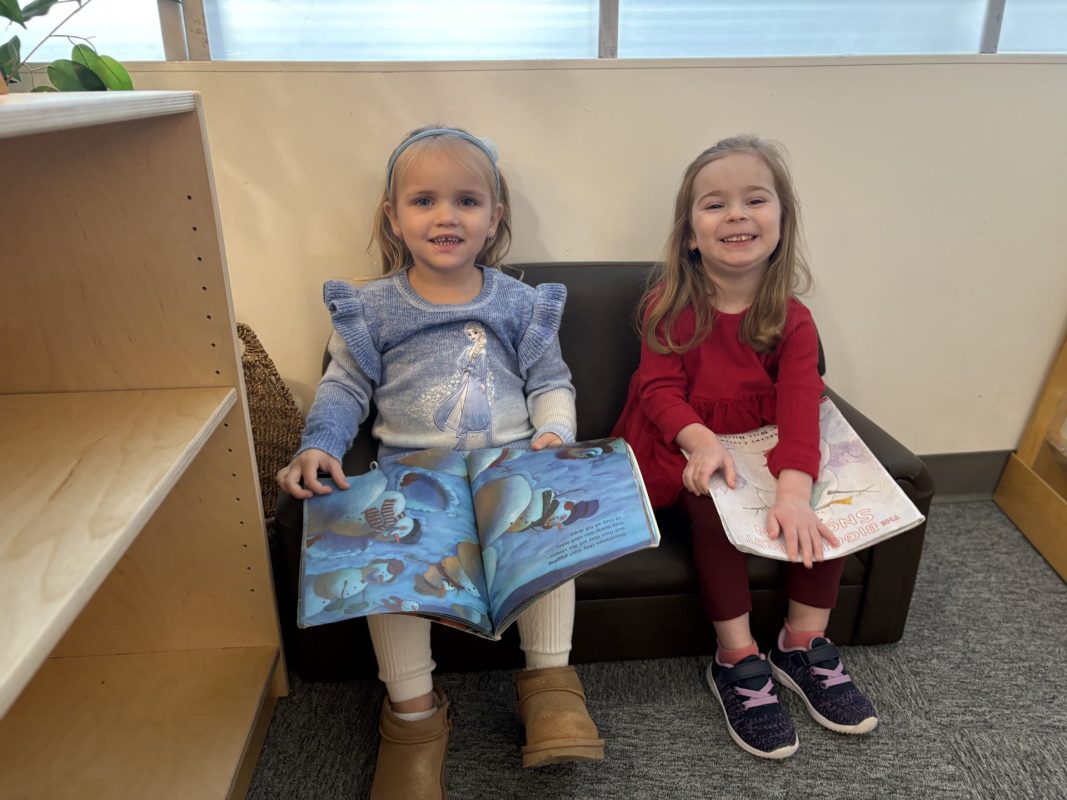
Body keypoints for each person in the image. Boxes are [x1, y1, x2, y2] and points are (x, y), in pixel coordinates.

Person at [277, 125, 603, 799]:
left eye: (466, 201)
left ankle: (549, 684)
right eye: (424, 201)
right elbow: (343, 389)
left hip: (508, 472)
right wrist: (319, 444)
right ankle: (413, 715)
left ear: (494, 217)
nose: (446, 216)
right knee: (384, 568)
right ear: (393, 217)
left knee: (549, 534)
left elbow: (550, 382)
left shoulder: (519, 304)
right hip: (414, 481)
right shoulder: (373, 309)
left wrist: (554, 433)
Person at [613, 135, 877, 760]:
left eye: (755, 200)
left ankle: (802, 643)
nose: (736, 214)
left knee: (825, 501)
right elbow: (658, 390)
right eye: (715, 204)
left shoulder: (793, 317)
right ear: (690, 235)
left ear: (781, 222)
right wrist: (702, 443)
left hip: (765, 445)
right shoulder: (669, 305)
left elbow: (800, 407)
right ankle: (736, 658)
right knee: (715, 504)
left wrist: (796, 492)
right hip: (685, 443)